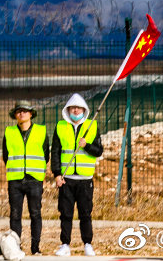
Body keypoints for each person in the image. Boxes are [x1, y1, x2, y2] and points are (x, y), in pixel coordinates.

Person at [51, 93, 102, 257]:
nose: (75, 110)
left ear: (84, 110)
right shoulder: (60, 126)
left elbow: (98, 151)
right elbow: (56, 152)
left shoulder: (92, 126)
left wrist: (86, 145)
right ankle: (65, 244)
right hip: (66, 179)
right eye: (72, 108)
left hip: (85, 180)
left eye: (78, 108)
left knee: (85, 213)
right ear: (68, 110)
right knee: (65, 213)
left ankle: (88, 243)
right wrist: (57, 174)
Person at [2, 101, 48, 255]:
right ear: (15, 115)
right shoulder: (9, 132)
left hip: (34, 179)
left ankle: (35, 248)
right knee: (15, 214)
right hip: (15, 179)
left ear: (31, 114)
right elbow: (6, 155)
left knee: (35, 213)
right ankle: (15, 247)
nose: (21, 113)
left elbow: (45, 154)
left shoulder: (41, 131)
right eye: (18, 111)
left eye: (25, 111)